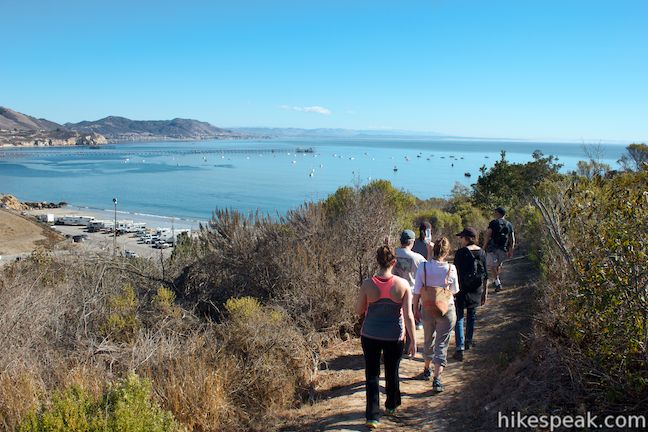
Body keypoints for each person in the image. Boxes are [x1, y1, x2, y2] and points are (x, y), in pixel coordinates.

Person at [355, 245, 417, 429]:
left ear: (377, 261)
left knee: (372, 374)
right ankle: (391, 405)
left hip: (370, 334)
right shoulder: (403, 284)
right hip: (394, 336)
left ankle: (372, 416)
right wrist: (413, 340)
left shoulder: (367, 284)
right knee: (392, 370)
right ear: (394, 262)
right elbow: (409, 316)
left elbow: (358, 310)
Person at [413, 237, 458, 392]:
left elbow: (417, 291)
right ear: (446, 252)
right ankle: (437, 379)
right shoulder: (451, 269)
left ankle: (426, 369)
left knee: (428, 339)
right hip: (446, 309)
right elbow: (454, 290)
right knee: (441, 343)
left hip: (427, 308)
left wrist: (415, 309)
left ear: (432, 250)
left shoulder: (423, 267)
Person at [452, 227, 488, 361]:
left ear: (466, 238)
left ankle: (459, 348)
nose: (460, 240)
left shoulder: (460, 253)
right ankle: (469, 341)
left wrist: (452, 291)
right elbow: (486, 275)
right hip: (476, 289)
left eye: (461, 237)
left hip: (461, 289)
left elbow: (455, 273)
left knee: (459, 318)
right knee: (472, 315)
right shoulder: (482, 253)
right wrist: (485, 292)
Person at [394, 229, 427, 336]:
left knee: (397, 322)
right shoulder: (418, 258)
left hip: (394, 293)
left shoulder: (393, 253)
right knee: (409, 321)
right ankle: (408, 348)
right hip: (412, 296)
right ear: (412, 242)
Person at [482, 207, 515, 292]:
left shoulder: (493, 223)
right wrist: (511, 249)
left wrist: (484, 246)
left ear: (498, 213)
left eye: (495, 212)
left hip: (492, 248)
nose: (494, 214)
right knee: (497, 265)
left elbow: (488, 234)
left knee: (492, 266)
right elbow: (512, 239)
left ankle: (498, 283)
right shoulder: (509, 224)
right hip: (503, 248)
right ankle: (496, 280)